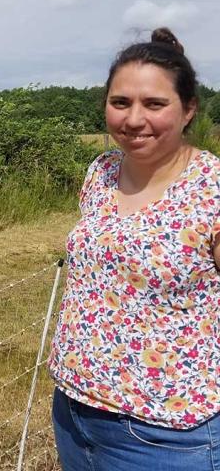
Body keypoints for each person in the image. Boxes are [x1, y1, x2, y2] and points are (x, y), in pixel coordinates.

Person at [48, 27, 220, 471]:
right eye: (120, 102)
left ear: (188, 110)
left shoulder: (212, 189)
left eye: (155, 104)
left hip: (164, 434)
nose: (133, 119)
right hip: (74, 411)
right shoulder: (101, 171)